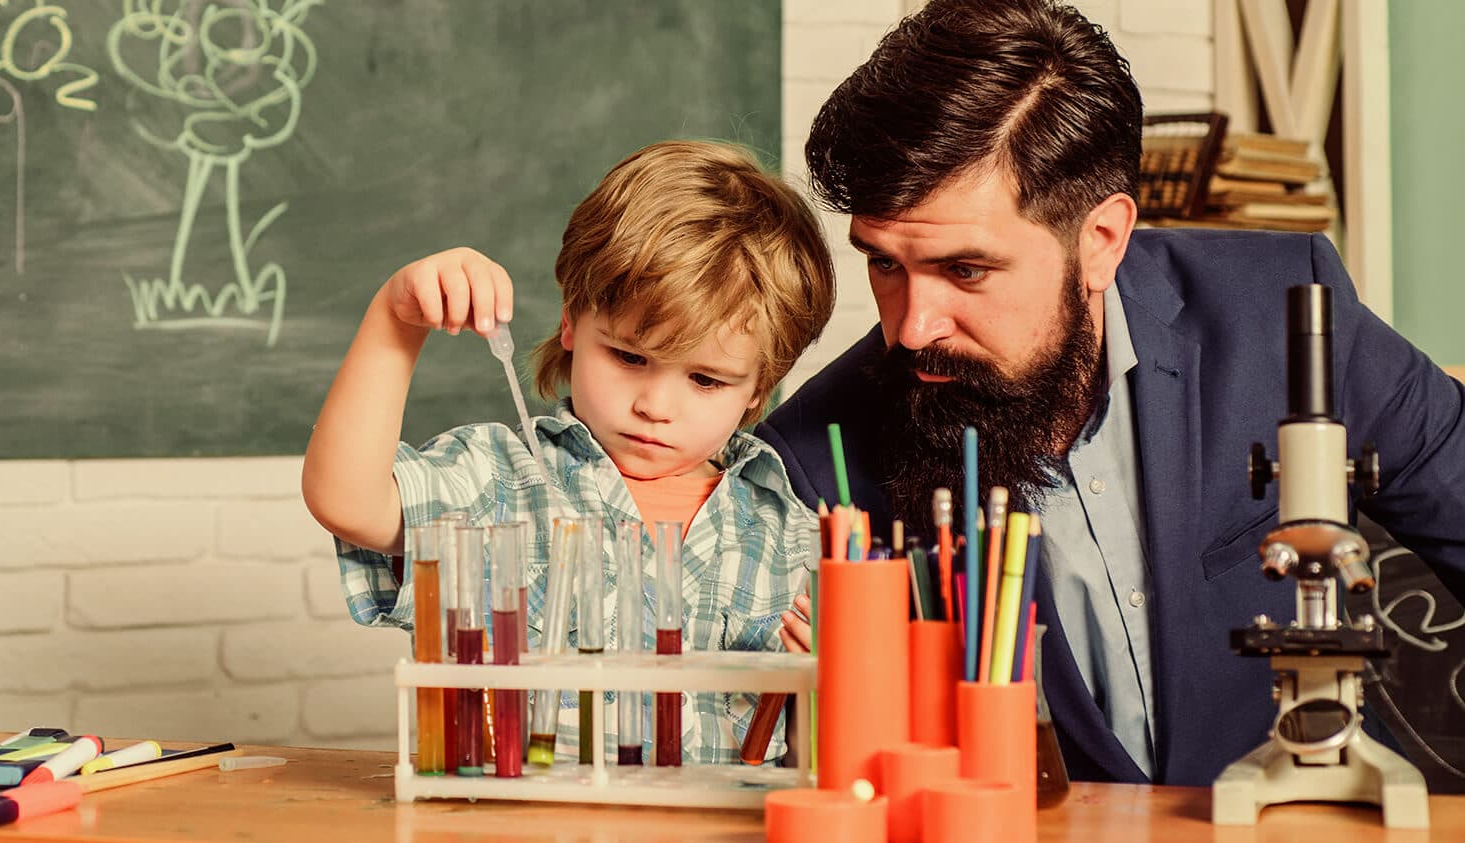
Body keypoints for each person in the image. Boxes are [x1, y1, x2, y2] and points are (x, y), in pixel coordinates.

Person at [757, 0, 1465, 785]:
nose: (912, 327)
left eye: (965, 269)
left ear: (1100, 240)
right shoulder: (813, 461)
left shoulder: (1283, 312)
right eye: (884, 263)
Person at [302, 140, 835, 762]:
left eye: (706, 380)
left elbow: (806, 758)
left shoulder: (788, 536)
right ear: (571, 323)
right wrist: (396, 321)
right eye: (629, 357)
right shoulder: (500, 479)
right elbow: (346, 500)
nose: (655, 405)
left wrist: (830, 687)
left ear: (760, 388)